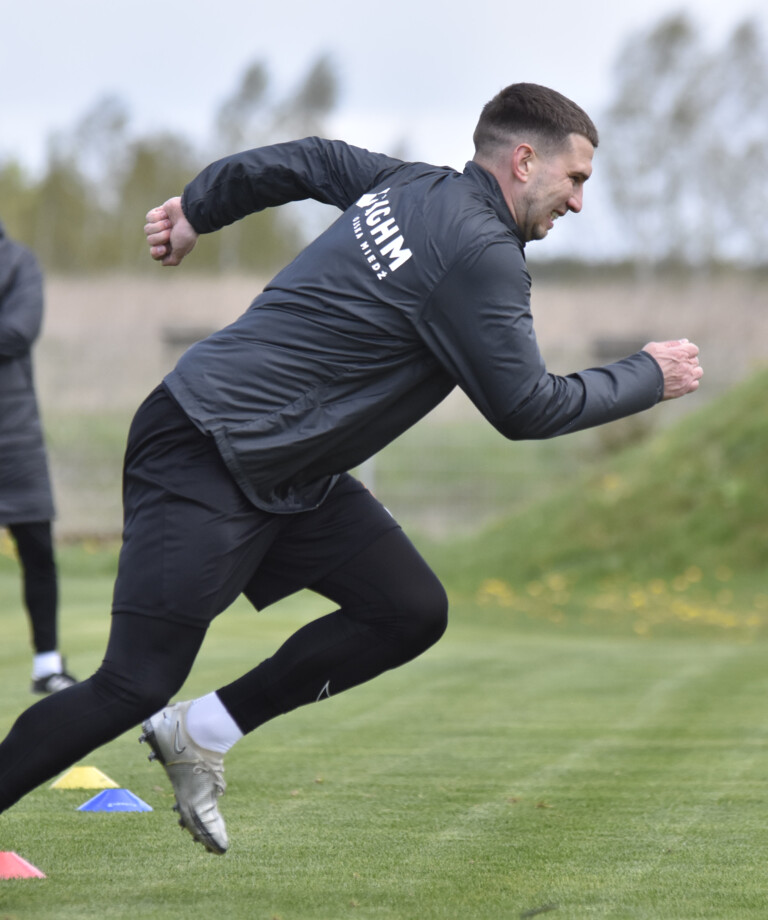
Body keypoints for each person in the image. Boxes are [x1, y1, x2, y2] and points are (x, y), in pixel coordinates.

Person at [0, 83, 702, 854]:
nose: (577, 203)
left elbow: (307, 160)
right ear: (524, 160)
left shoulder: (409, 185)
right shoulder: (482, 255)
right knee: (130, 684)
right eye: (576, 180)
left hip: (286, 470)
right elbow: (526, 408)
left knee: (407, 608)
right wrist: (646, 375)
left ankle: (201, 731)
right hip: (206, 444)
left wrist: (201, 207)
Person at [0, 222, 77, 695]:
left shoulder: (20, 262)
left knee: (38, 551)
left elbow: (17, 332)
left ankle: (47, 665)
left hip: (14, 433)